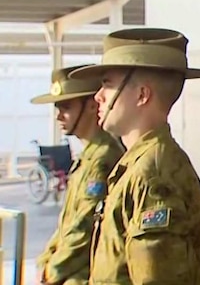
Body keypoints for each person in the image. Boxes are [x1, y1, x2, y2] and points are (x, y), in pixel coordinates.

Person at [69, 28, 200, 285]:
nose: (98, 96)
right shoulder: (139, 164)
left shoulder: (154, 176)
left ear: (142, 95)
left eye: (107, 83)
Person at [30, 66, 124, 285]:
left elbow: (85, 228)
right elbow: (68, 226)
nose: (58, 116)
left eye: (66, 107)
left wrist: (51, 271)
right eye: (57, 107)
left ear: (92, 106)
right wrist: (46, 260)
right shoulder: (89, 156)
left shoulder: (104, 159)